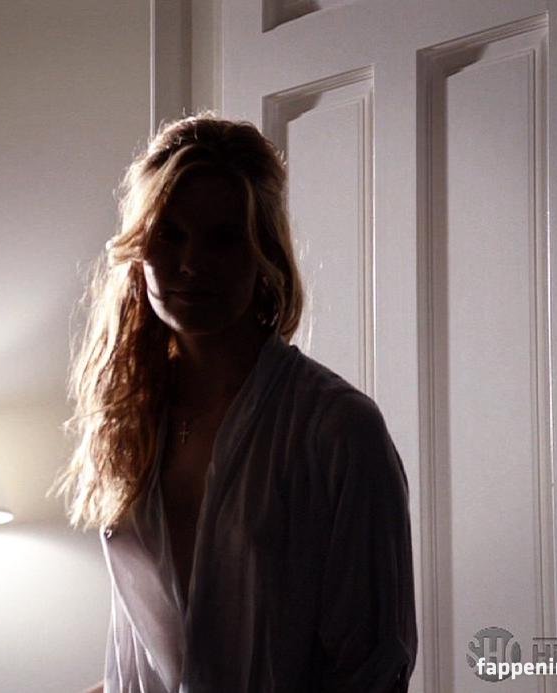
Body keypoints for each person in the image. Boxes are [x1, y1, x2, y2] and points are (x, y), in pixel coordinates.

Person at [51, 113, 418, 692]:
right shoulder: (132, 416)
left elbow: (373, 665)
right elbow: (154, 649)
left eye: (222, 237)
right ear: (140, 246)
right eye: (169, 234)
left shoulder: (336, 429)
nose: (191, 263)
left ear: (263, 251)